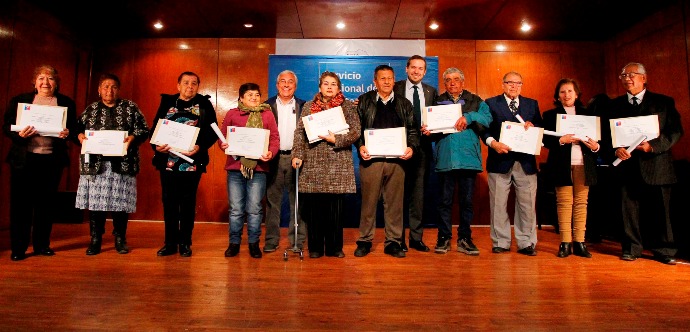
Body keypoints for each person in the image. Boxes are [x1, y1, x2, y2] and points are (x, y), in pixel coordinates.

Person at [607, 62, 683, 265]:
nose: (627, 78)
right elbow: (607, 136)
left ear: (644, 78)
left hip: (657, 165)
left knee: (662, 211)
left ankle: (665, 249)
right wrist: (615, 149)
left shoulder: (664, 102)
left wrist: (654, 146)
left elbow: (675, 131)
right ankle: (631, 248)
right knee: (628, 210)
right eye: (623, 75)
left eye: (632, 74)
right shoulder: (614, 105)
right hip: (627, 166)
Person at [2, 65, 77, 261]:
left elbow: (72, 128)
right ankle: (18, 248)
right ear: (34, 82)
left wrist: (67, 133)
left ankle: (42, 245)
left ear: (56, 83)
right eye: (41, 78)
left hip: (51, 161)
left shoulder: (66, 102)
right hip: (24, 161)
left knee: (46, 205)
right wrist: (18, 134)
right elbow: (7, 125)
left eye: (50, 79)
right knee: (21, 206)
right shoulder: (21, 100)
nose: (46, 82)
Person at [75, 73, 149, 255]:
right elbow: (77, 128)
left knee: (121, 205)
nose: (110, 90)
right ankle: (95, 239)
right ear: (99, 90)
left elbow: (144, 129)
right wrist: (80, 136)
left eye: (114, 87)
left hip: (122, 164)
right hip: (95, 166)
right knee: (96, 205)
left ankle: (120, 238)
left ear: (119, 89)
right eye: (106, 87)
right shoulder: (91, 109)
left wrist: (133, 137)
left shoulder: (130, 108)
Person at [292, 71, 361, 258]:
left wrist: (336, 138)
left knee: (335, 210)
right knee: (314, 210)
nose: (329, 87)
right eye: (326, 84)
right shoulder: (308, 106)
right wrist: (297, 154)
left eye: (333, 84)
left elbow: (356, 132)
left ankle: (334, 248)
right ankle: (314, 248)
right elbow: (299, 133)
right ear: (320, 87)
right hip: (313, 162)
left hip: (337, 162)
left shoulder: (347, 107)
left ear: (338, 88)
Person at [424, 68, 491, 255]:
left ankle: (465, 239)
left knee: (466, 202)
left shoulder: (475, 100)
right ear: (444, 84)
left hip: (468, 159)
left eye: (455, 79)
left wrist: (468, 116)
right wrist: (429, 131)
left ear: (462, 82)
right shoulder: (437, 101)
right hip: (446, 159)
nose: (452, 83)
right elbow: (432, 130)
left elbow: (487, 119)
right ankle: (443, 238)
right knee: (444, 202)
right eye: (448, 80)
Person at [353, 64, 419, 258]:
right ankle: (364, 241)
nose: (387, 82)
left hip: (397, 162)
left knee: (394, 204)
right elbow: (356, 129)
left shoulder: (404, 103)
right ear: (375, 81)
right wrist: (360, 145)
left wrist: (411, 147)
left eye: (390, 78)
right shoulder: (364, 101)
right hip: (371, 161)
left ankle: (393, 242)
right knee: (368, 203)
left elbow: (413, 131)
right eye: (383, 78)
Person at [151, 72, 219, 257]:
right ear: (178, 85)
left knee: (188, 204)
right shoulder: (167, 102)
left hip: (191, 162)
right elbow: (155, 129)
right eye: (186, 83)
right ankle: (170, 243)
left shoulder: (203, 104)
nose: (190, 86)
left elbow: (213, 131)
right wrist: (157, 147)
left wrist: (200, 146)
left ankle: (185, 243)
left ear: (198, 86)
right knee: (170, 203)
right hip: (168, 161)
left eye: (194, 83)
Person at [480, 71, 542, 256]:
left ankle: (527, 242)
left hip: (526, 162)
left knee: (527, 205)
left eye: (518, 83)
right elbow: (484, 130)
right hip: (500, 160)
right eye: (510, 83)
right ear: (503, 84)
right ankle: (500, 241)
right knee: (498, 204)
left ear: (522, 85)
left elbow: (540, 130)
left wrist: (534, 128)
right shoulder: (491, 103)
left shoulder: (532, 104)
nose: (514, 86)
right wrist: (494, 143)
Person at [218, 83, 279, 259]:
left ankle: (254, 244)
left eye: (257, 95)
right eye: (249, 95)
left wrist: (271, 152)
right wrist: (224, 145)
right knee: (236, 209)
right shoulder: (232, 114)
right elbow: (223, 137)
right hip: (235, 169)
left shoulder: (267, 114)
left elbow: (274, 138)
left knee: (254, 209)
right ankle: (234, 243)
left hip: (259, 168)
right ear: (241, 98)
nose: (254, 98)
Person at [542, 78, 600, 258]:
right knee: (564, 203)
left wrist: (595, 146)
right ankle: (565, 242)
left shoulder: (589, 114)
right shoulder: (550, 115)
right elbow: (545, 140)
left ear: (576, 94)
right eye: (562, 92)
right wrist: (561, 140)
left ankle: (580, 242)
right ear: (557, 96)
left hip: (584, 164)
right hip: (561, 165)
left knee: (582, 203)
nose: (566, 95)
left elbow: (600, 142)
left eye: (569, 91)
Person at [393, 55, 437, 252]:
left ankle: (416, 238)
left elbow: (436, 118)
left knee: (417, 196)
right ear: (406, 69)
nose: (417, 71)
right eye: (413, 68)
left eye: (421, 68)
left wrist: (433, 129)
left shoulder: (431, 91)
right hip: (398, 148)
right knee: (398, 195)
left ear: (425, 71)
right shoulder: (395, 88)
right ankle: (397, 238)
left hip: (423, 149)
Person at [263, 70, 307, 253]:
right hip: (273, 158)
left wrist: (301, 154)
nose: (286, 85)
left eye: (290, 82)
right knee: (272, 202)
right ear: (277, 85)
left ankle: (297, 240)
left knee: (297, 202)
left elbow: (307, 134)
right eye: (283, 81)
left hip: (296, 159)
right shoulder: (265, 106)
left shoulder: (305, 106)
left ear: (295, 86)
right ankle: (271, 240)